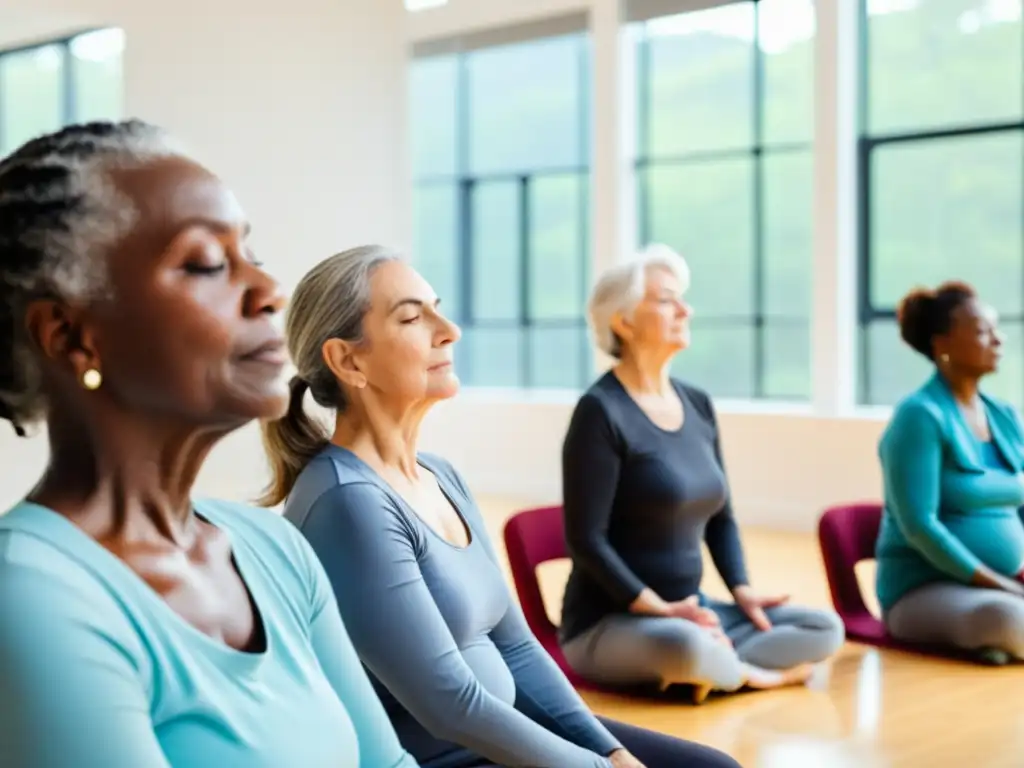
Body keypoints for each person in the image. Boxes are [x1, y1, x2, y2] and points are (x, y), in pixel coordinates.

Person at [0, 121, 416, 768]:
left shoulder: (274, 548)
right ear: (69, 335)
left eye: (252, 255)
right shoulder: (28, 598)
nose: (269, 293)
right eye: (205, 264)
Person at [260, 245, 742, 768]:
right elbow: (450, 705)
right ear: (348, 360)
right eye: (412, 317)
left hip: (504, 741)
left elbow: (517, 648)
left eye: (438, 307)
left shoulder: (441, 474)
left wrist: (611, 751)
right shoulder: (346, 501)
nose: (449, 330)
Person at [558, 244, 845, 704]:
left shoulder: (697, 403)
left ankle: (720, 667)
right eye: (667, 299)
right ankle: (752, 675)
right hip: (611, 623)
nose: (685, 309)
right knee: (687, 646)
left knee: (824, 628)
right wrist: (658, 609)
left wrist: (743, 591)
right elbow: (585, 540)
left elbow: (722, 516)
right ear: (624, 321)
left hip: (695, 611)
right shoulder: (600, 411)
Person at [875, 281, 1024, 663]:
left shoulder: (1005, 416)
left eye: (996, 328)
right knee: (1008, 617)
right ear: (941, 344)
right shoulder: (919, 417)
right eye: (982, 331)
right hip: (923, 590)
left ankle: (986, 642)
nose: (998, 339)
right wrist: (1004, 585)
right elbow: (919, 527)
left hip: (1001, 588)